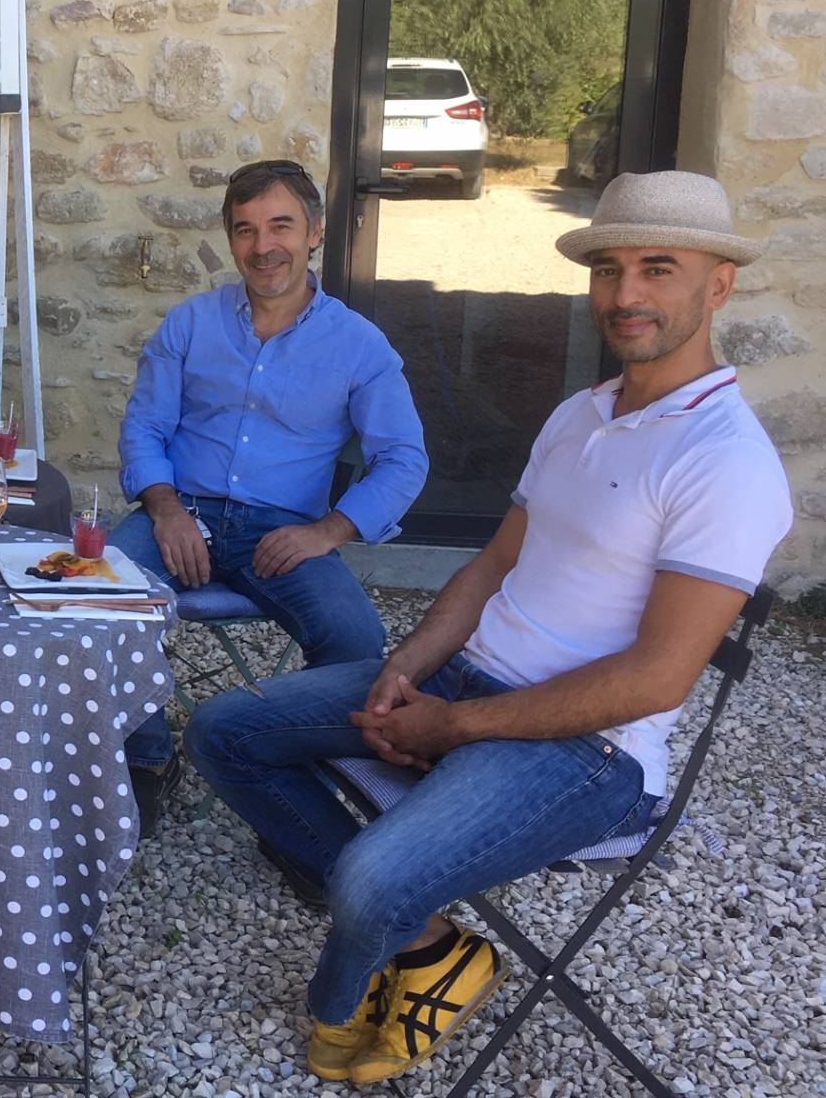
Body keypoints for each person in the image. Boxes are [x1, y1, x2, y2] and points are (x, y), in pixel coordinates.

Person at [186, 170, 791, 1085]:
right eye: (610, 270)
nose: (626, 295)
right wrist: (409, 670)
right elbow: (489, 566)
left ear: (718, 284)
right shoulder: (579, 413)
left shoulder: (726, 461)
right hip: (466, 681)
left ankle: (354, 982)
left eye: (657, 269)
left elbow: (657, 681)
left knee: (367, 881)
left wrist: (452, 727)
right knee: (226, 730)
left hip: (587, 750)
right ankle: (434, 946)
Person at [114, 159, 428, 830]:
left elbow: (403, 460)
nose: (263, 247)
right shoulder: (190, 323)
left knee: (356, 640)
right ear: (231, 242)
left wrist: (328, 533)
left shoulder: (359, 345)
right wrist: (165, 509)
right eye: (245, 230)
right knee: (100, 600)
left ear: (314, 232)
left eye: (280, 225)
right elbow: (145, 425)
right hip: (181, 511)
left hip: (285, 532)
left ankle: (295, 780)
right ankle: (145, 755)